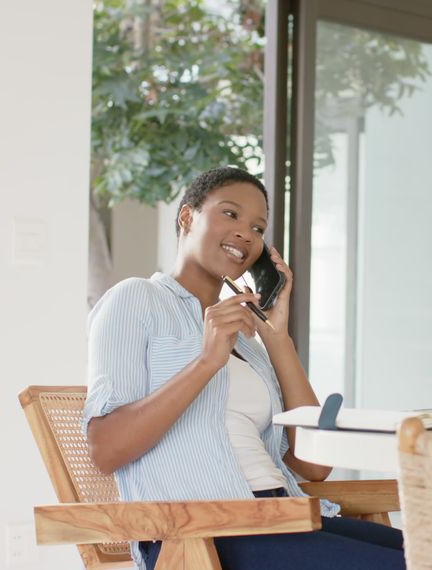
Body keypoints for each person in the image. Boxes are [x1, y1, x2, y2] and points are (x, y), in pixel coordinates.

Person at [83, 167, 405, 570]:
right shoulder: (136, 300)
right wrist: (206, 362)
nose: (246, 234)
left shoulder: (246, 339)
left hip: (280, 515)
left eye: (257, 227)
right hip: (205, 534)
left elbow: (312, 465)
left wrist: (276, 336)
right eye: (230, 214)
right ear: (187, 217)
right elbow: (105, 449)